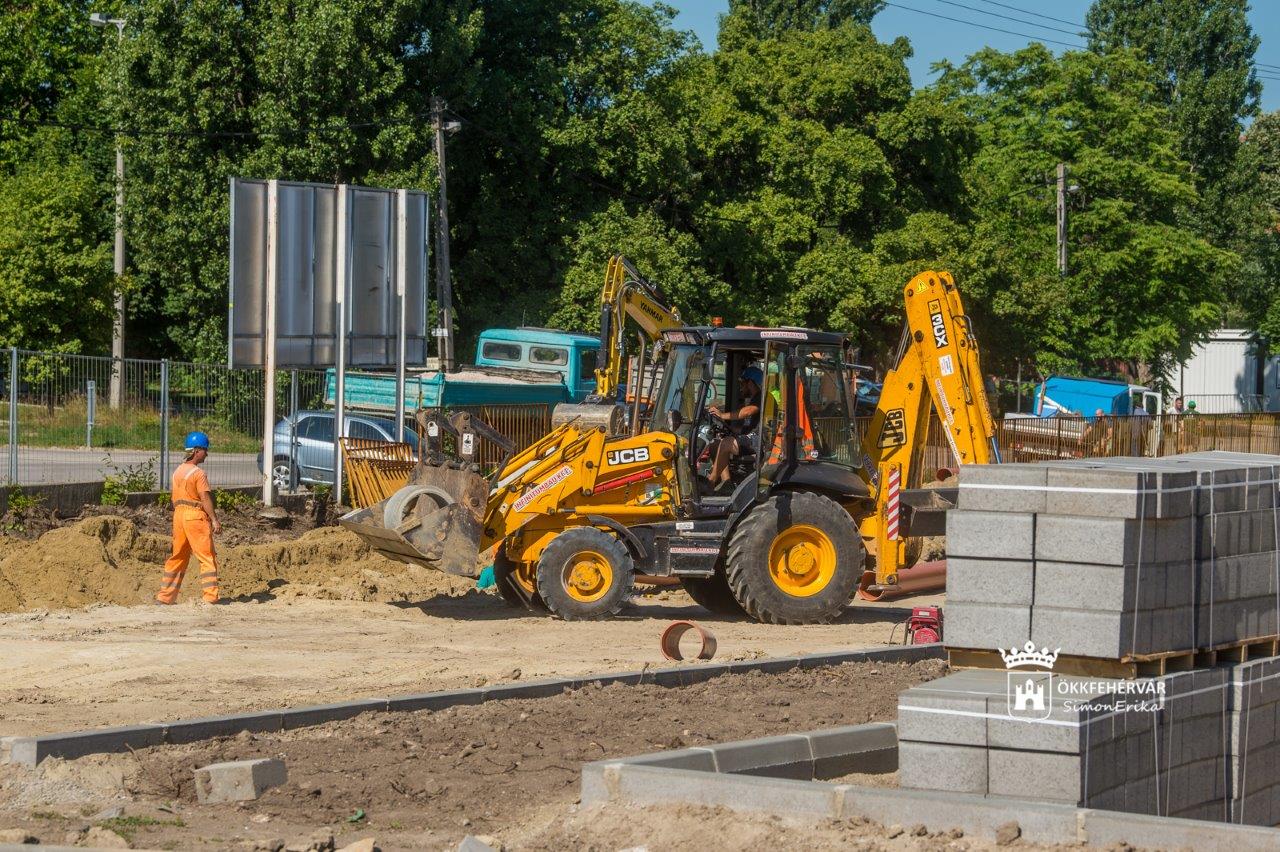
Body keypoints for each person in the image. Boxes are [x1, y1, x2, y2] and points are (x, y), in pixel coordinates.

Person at [156, 431, 223, 605]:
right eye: (205, 450)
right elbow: (205, 498)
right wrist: (214, 519)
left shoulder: (178, 471)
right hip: (195, 516)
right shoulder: (198, 473)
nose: (206, 454)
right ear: (196, 451)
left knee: (177, 557)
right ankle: (210, 597)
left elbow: (174, 497)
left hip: (179, 516)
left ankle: (165, 597)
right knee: (207, 557)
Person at [706, 366, 763, 491]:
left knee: (727, 443)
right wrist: (729, 429)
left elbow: (747, 412)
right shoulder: (753, 398)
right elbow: (748, 427)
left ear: (750, 382)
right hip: (751, 436)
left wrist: (722, 415)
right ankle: (727, 483)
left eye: (743, 383)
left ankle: (710, 482)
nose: (741, 387)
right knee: (716, 444)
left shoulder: (761, 397)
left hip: (760, 441)